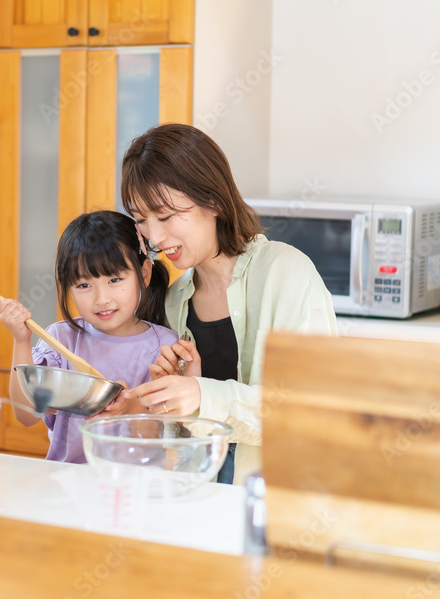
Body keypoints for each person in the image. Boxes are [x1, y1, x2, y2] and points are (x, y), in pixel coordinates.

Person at [120, 123, 338, 485]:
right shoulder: (175, 301)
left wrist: (202, 394)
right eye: (142, 220)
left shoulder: (285, 272)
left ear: (214, 201)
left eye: (166, 215)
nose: (154, 236)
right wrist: (166, 403)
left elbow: (309, 411)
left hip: (275, 496)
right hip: (201, 492)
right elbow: (186, 439)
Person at [0, 210, 176, 463]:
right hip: (68, 479)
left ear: (144, 274)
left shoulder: (165, 347)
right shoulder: (61, 339)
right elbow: (26, 416)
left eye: (115, 279)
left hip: (134, 482)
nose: (101, 299)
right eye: (83, 285)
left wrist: (130, 409)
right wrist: (21, 340)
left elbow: (165, 440)